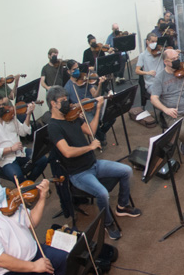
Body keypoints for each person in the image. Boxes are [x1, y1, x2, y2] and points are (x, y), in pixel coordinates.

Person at [46, 86, 139, 241]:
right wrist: (89, 147)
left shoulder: (72, 115)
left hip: (93, 163)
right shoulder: (54, 126)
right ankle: (107, 223)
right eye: (63, 101)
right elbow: (67, 152)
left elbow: (91, 130)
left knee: (126, 171)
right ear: (53, 104)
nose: (68, 103)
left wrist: (98, 109)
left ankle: (122, 207)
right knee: (102, 193)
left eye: (67, 100)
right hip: (78, 173)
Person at [0, 94, 48, 182]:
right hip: (6, 159)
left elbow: (23, 132)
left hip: (20, 152)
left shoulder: (10, 116)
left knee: (43, 159)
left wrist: (28, 114)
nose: (2, 107)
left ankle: (29, 182)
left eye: (3, 104)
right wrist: (11, 149)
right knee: (17, 176)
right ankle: (26, 186)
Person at [64, 61, 115, 145]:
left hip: (95, 104)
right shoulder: (67, 87)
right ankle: (100, 136)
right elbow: (68, 105)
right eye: (74, 69)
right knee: (93, 127)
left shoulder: (85, 79)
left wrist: (99, 84)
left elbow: (95, 95)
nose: (77, 71)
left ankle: (100, 135)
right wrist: (77, 105)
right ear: (68, 71)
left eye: (78, 68)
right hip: (84, 110)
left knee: (112, 115)